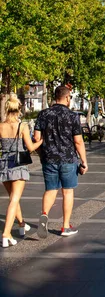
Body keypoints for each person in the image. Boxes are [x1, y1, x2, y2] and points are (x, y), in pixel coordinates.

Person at [34, 86, 88, 238]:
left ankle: (44, 214)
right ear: (66, 97)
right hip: (68, 159)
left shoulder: (44, 114)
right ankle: (65, 226)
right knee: (67, 191)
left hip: (49, 158)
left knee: (51, 189)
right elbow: (78, 141)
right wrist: (84, 161)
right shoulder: (72, 116)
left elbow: (37, 138)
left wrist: (42, 153)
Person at [0, 94, 43, 247]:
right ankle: (6, 233)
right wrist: (41, 141)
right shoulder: (22, 126)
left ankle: (21, 224)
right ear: (19, 110)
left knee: (13, 197)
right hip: (18, 165)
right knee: (14, 199)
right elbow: (30, 148)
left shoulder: (0, 126)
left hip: (4, 164)